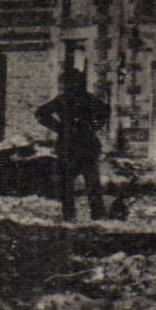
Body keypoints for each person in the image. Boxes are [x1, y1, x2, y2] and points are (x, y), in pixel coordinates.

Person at [35, 68, 111, 221]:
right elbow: (105, 111)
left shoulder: (70, 99)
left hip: (72, 145)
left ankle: (73, 215)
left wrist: (59, 128)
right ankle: (94, 214)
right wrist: (93, 126)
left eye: (70, 83)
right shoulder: (82, 99)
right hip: (80, 145)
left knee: (74, 183)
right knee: (85, 182)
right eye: (67, 84)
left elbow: (41, 113)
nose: (69, 86)